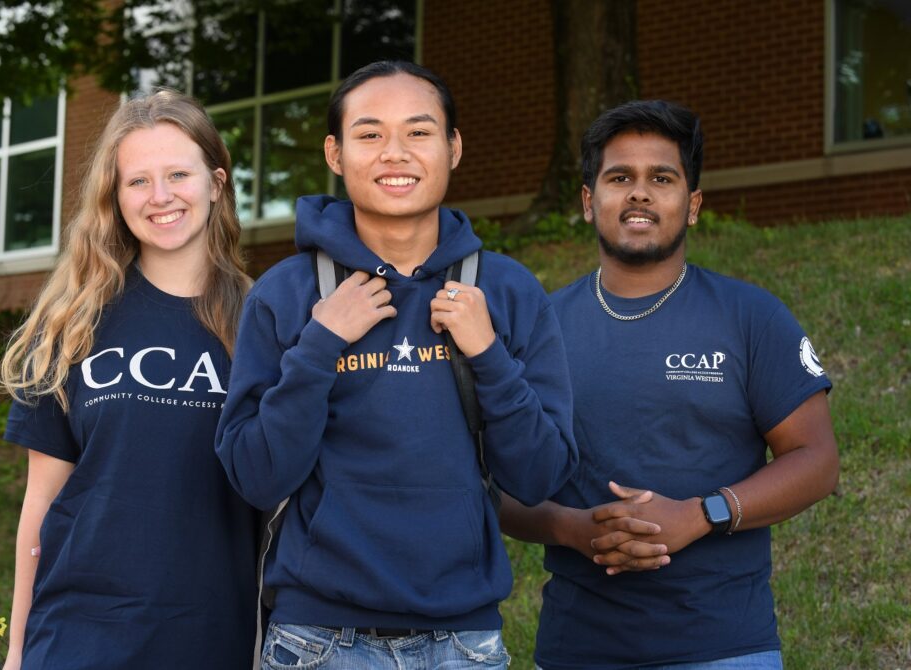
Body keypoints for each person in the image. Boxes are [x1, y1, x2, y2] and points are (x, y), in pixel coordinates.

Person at [216, 60, 578, 669]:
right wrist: (320, 343)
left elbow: (542, 475)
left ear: (454, 147)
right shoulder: (284, 295)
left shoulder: (508, 292)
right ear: (335, 153)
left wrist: (487, 353)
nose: (395, 153)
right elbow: (256, 476)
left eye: (418, 131)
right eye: (369, 134)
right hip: (316, 640)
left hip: (464, 643)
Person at [501, 100, 840, 670]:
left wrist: (700, 514)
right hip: (576, 647)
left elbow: (817, 460)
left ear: (693, 205)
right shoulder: (538, 329)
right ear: (589, 202)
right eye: (619, 178)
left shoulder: (750, 316)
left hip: (725, 646)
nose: (639, 193)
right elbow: (493, 478)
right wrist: (570, 527)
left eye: (662, 178)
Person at [0, 90, 256, 669]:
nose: (160, 196)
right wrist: (17, 653)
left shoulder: (266, 322)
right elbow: (41, 500)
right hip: (79, 637)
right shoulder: (71, 320)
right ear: (115, 198)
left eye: (178, 174)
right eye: (137, 181)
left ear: (216, 182)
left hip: (215, 637)